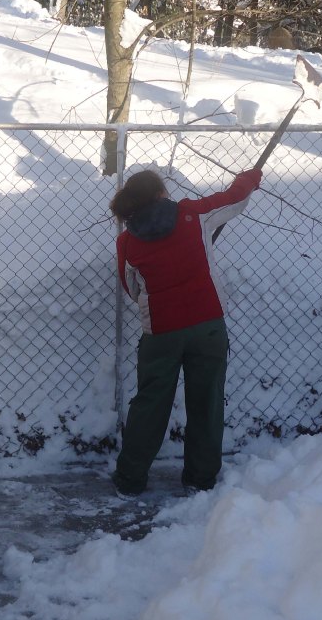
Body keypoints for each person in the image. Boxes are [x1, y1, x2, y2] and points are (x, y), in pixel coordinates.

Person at [109, 166, 262, 495]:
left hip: (161, 333)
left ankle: (131, 478)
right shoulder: (194, 215)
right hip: (207, 324)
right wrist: (250, 177)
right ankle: (201, 478)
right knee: (207, 401)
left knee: (150, 403)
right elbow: (235, 200)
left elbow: (131, 287)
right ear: (161, 193)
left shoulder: (127, 242)